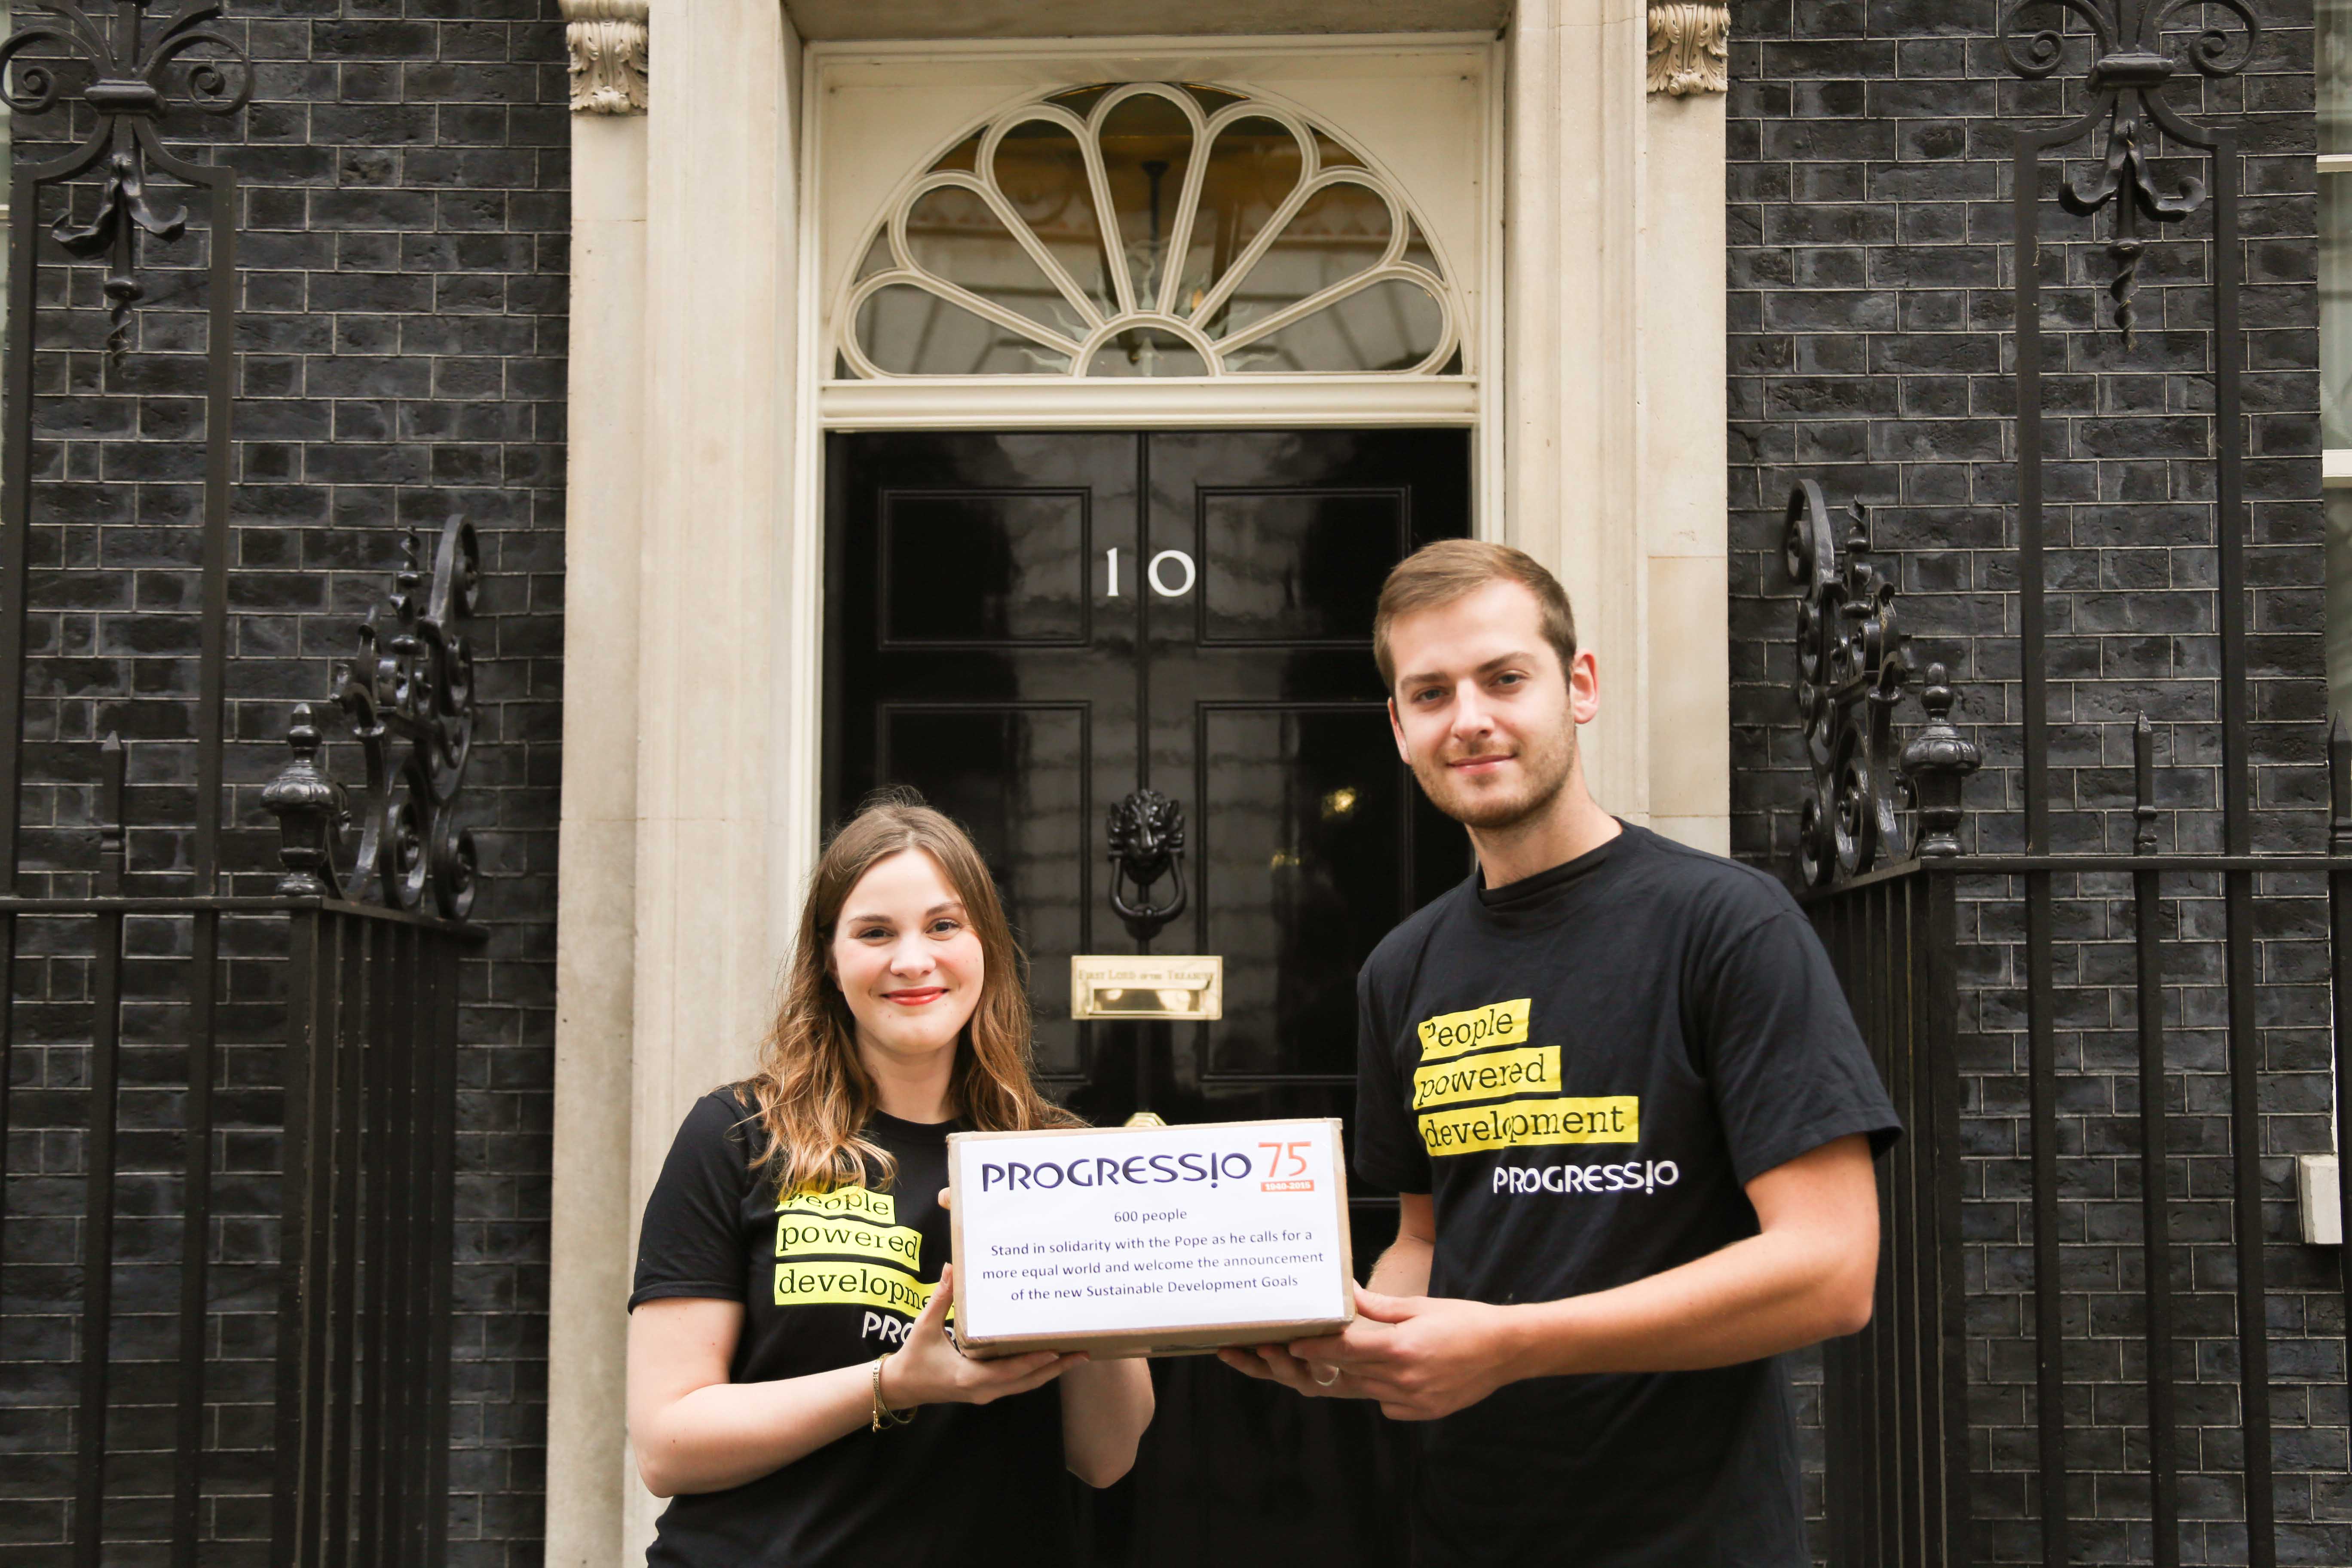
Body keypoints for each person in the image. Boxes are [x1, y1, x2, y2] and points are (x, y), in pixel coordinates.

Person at [1220, 541, 1900, 1566]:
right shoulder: (1402, 970)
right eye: (1432, 693)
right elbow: (1426, 1239)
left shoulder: (1725, 924)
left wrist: (1507, 1346)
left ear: (1578, 687)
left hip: (1693, 1539)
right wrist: (1349, 1342)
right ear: (1401, 728)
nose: (1473, 719)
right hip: (1469, 1528)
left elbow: (1832, 1269)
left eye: (1504, 678)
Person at [627, 794, 1155, 1567]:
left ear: (987, 950)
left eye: (945, 926)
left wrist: (1106, 1260)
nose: (914, 960)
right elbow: (668, 1446)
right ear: (831, 961)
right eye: (876, 933)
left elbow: (1105, 1457)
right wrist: (893, 1384)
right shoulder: (737, 1135)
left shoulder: (1057, 1161)